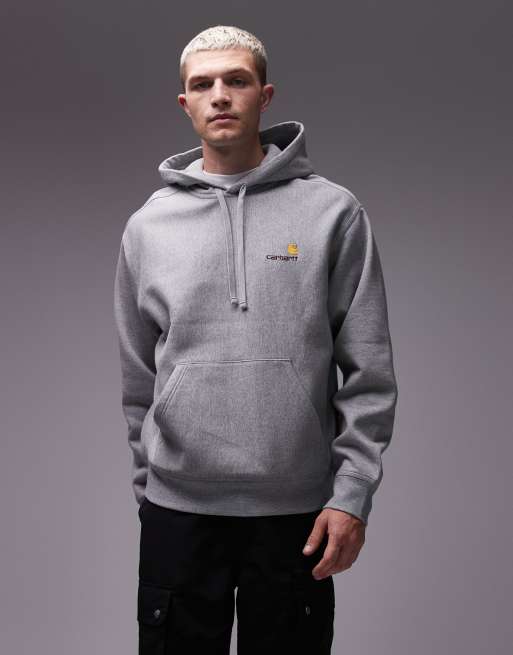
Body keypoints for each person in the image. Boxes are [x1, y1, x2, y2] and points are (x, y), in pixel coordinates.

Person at [113, 24, 398, 655]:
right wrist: (150, 495)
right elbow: (138, 381)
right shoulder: (148, 228)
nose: (220, 95)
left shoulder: (333, 214)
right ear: (185, 103)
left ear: (264, 96)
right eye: (202, 85)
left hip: (297, 513)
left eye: (236, 80)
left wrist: (351, 495)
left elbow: (370, 372)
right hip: (178, 511)